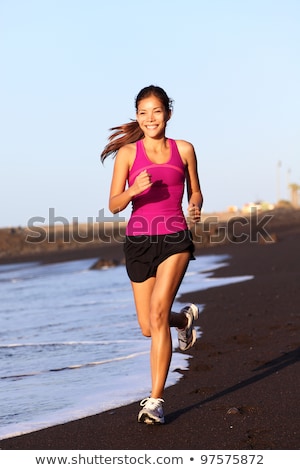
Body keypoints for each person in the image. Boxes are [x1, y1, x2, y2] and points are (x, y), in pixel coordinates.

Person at [101, 85, 203, 424]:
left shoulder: (184, 149)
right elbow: (114, 204)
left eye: (156, 111)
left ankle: (155, 401)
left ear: (168, 114)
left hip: (175, 238)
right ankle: (184, 320)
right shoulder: (129, 154)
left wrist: (195, 205)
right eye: (143, 113)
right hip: (138, 242)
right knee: (149, 326)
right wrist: (133, 190)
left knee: (158, 313)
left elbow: (196, 190)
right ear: (138, 117)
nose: (150, 118)